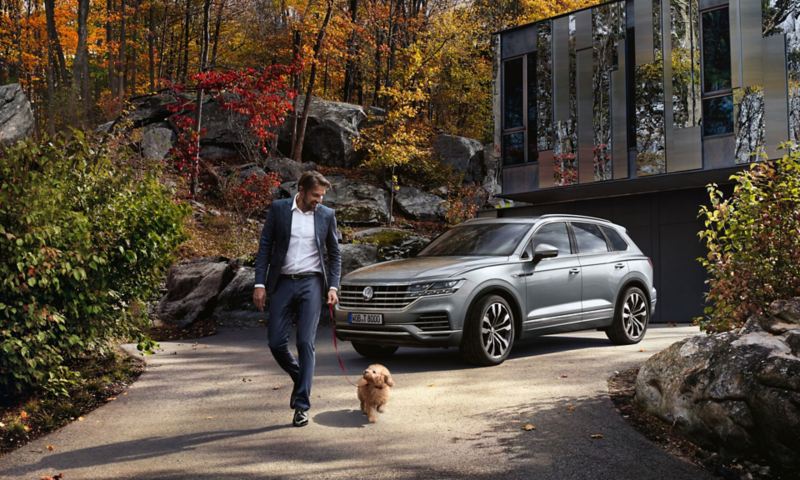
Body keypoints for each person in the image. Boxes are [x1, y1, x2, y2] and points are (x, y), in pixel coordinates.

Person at [253, 171, 341, 427]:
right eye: (315, 195)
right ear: (301, 190)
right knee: (275, 342)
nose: (319, 200)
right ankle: (300, 376)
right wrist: (260, 283)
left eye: (322, 196)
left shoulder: (326, 215)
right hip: (282, 283)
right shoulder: (279, 210)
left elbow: (335, 255)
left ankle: (302, 405)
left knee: (305, 342)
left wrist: (333, 287)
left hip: (311, 283)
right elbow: (265, 247)